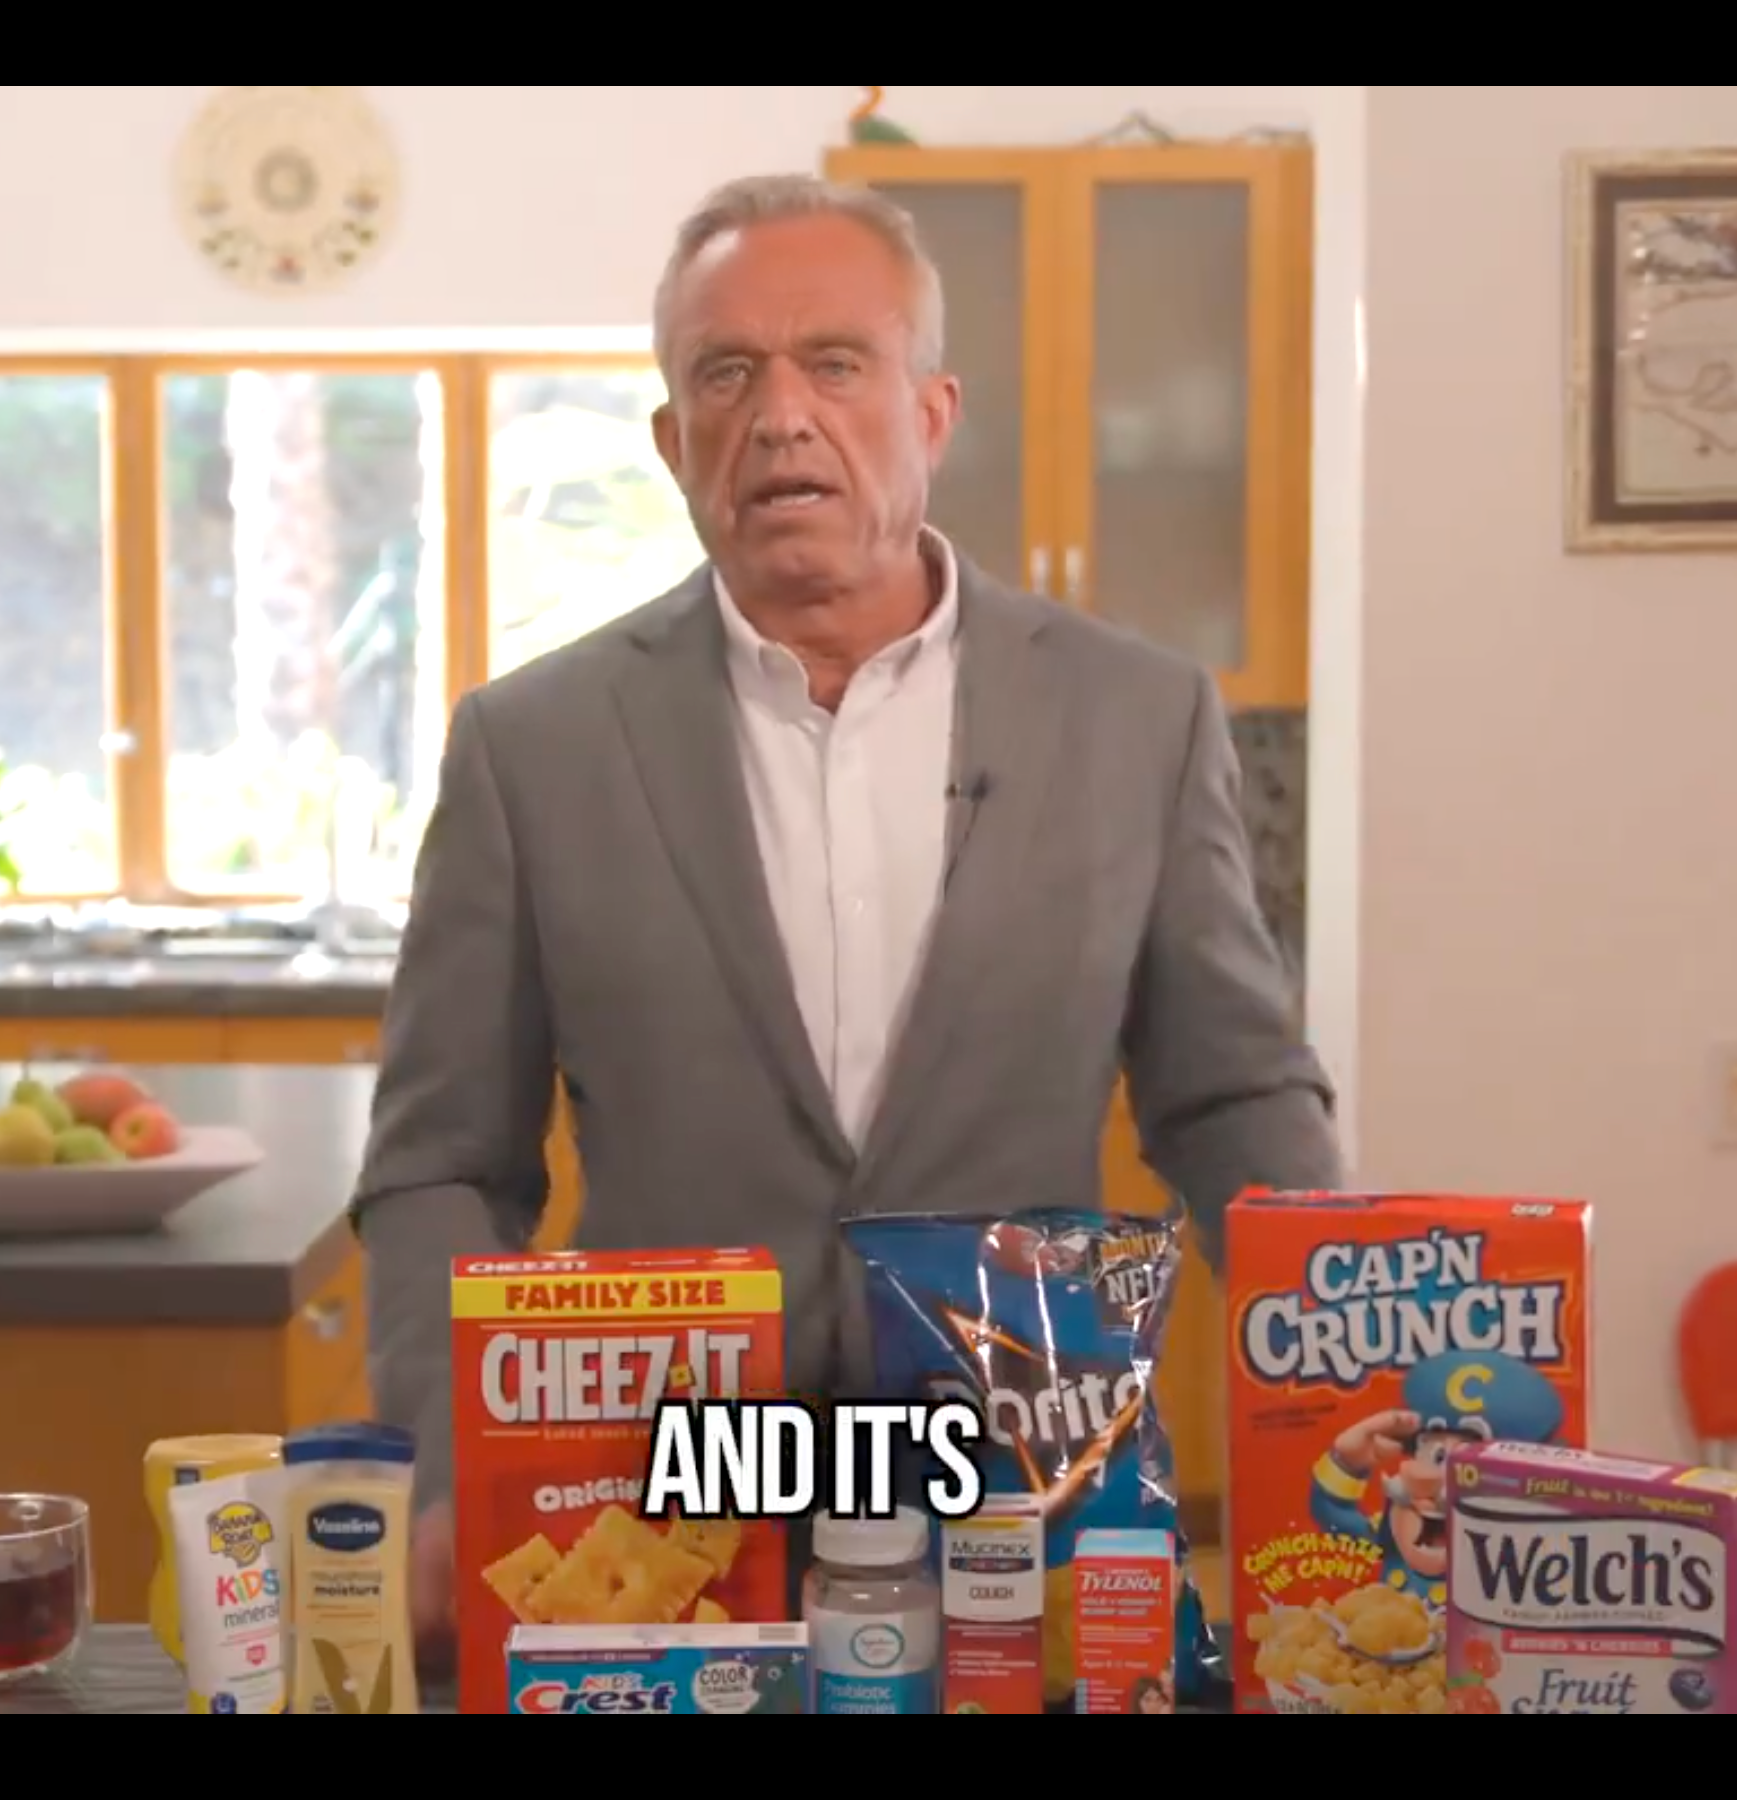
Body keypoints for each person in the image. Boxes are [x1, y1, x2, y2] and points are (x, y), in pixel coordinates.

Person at [349, 172, 1345, 1668]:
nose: (781, 415)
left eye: (836, 362)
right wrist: (442, 1463)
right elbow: (440, 1164)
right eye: (725, 373)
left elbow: (1234, 1095)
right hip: (660, 1523)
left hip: (1022, 1509)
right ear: (674, 442)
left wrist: (1345, 1394)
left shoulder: (1134, 716)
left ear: (932, 412)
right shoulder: (531, 749)